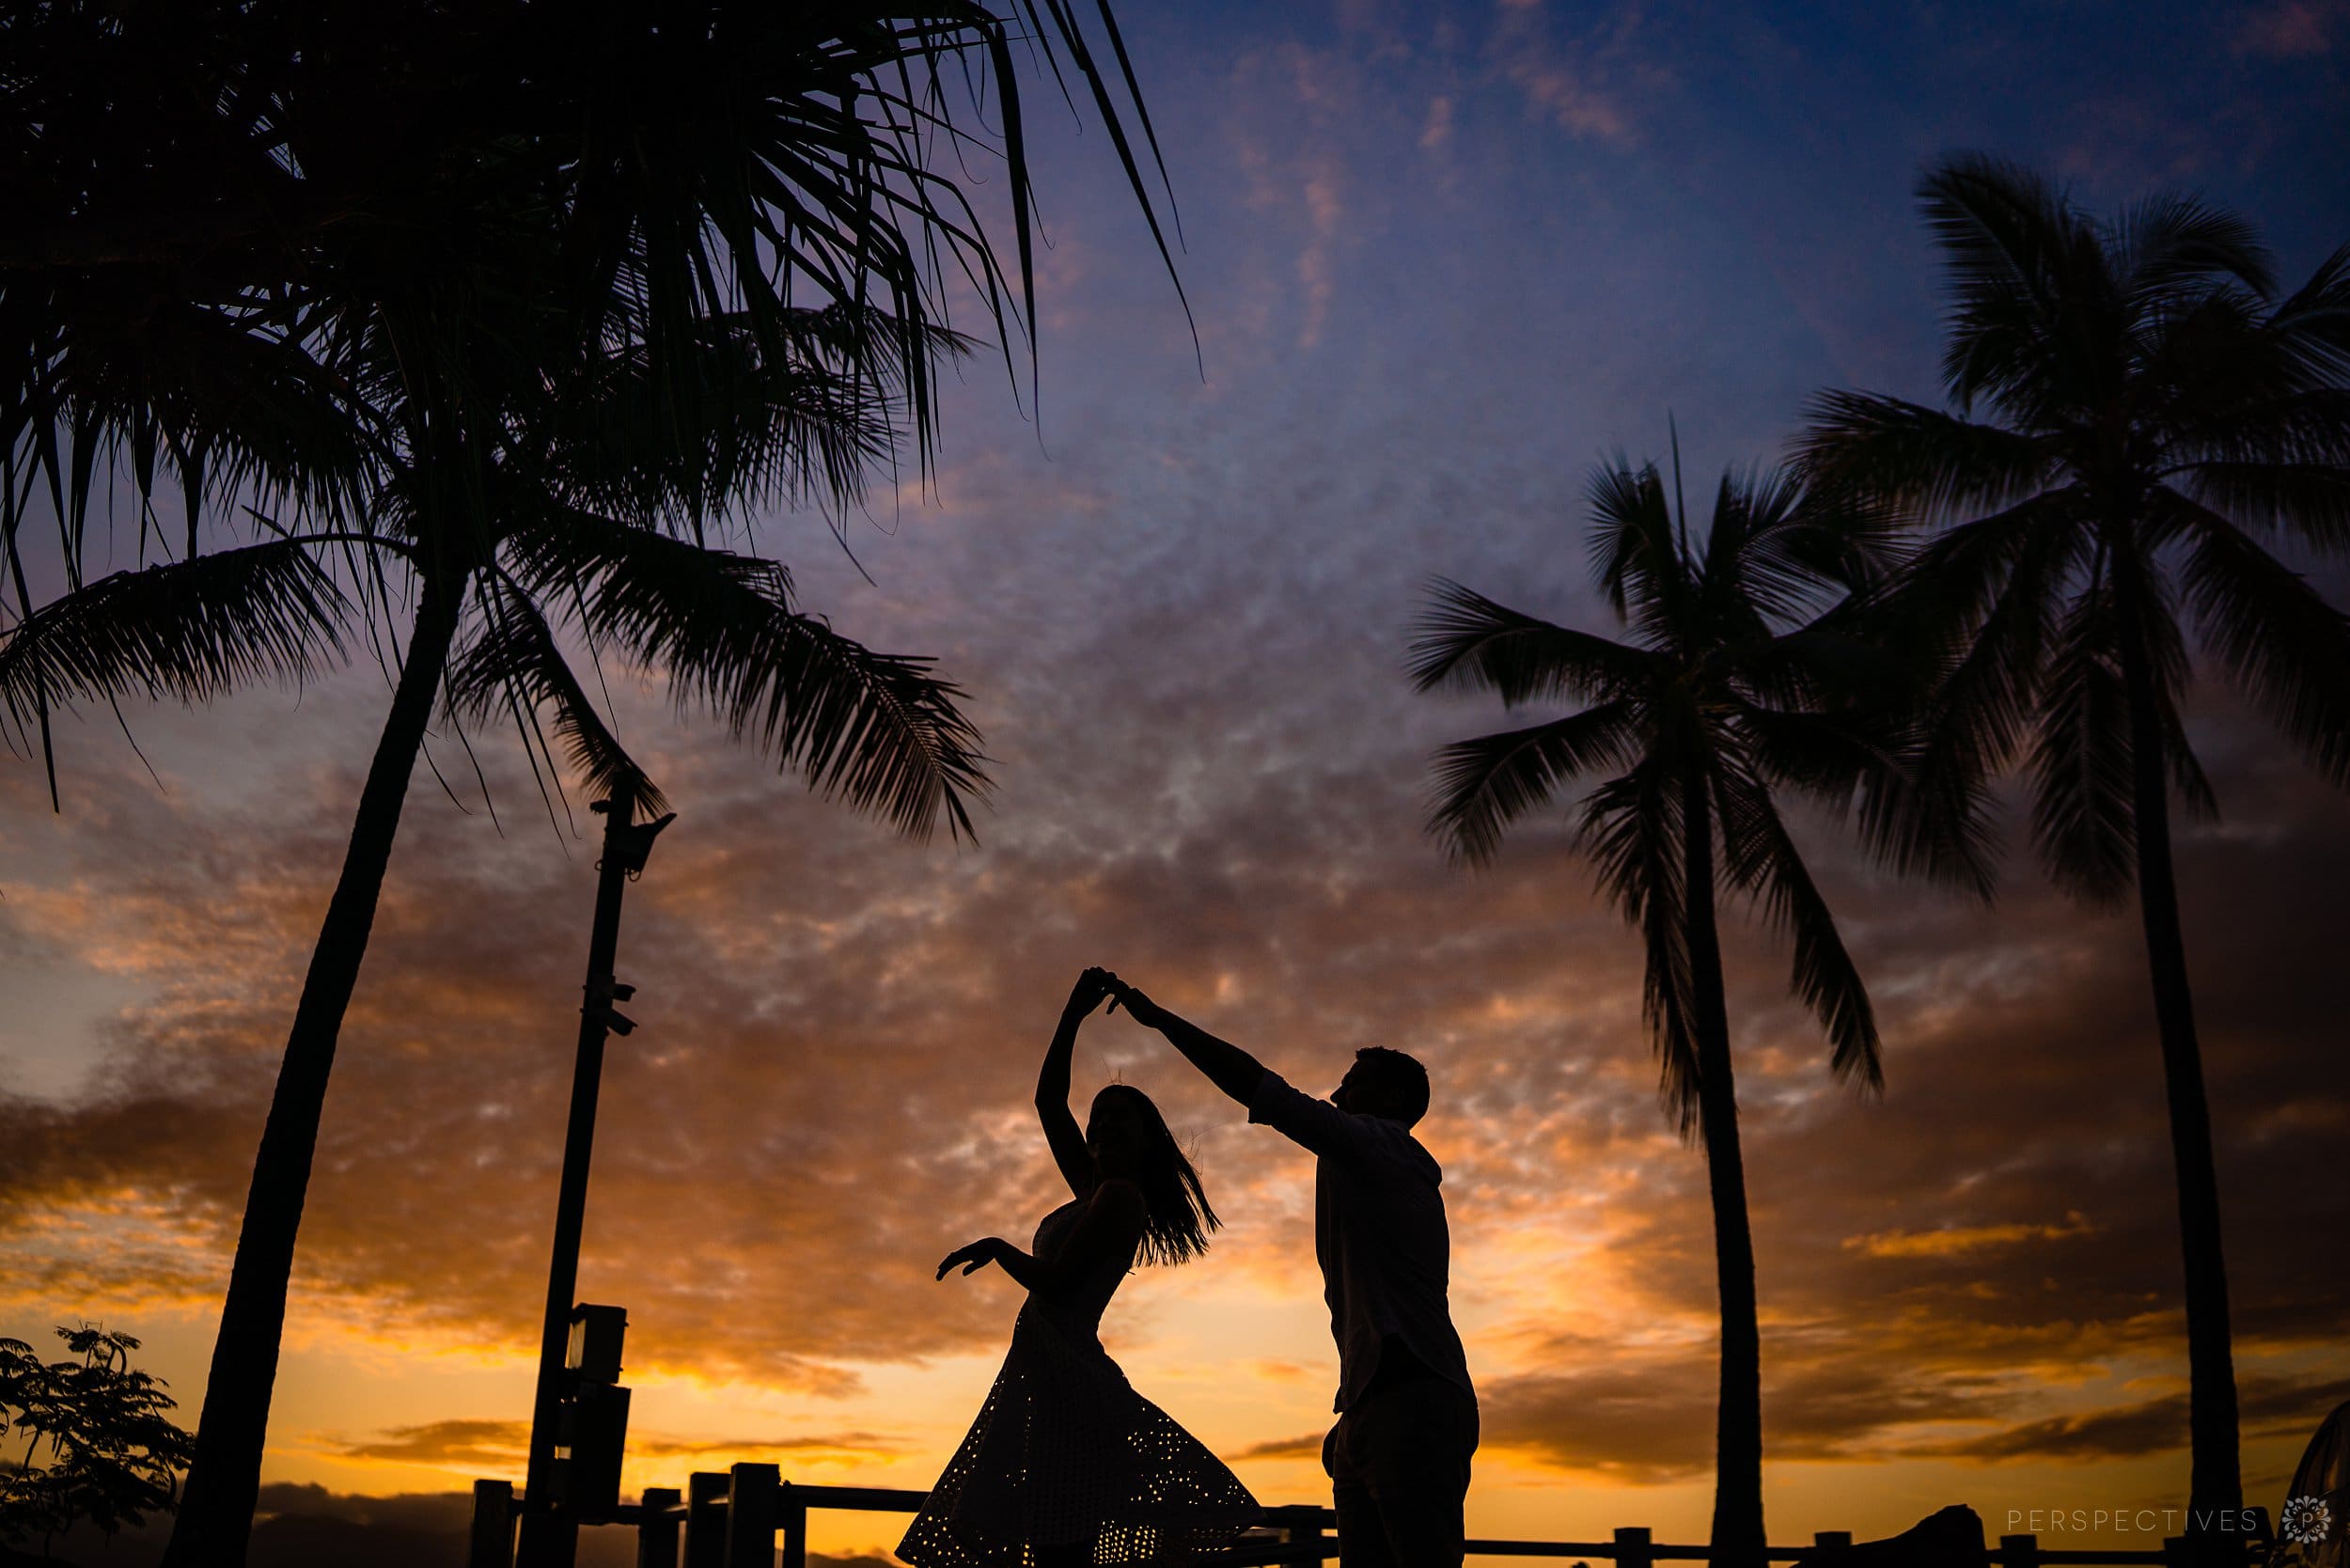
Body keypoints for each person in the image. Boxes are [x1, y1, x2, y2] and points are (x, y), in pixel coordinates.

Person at [1104, 971, 1479, 1568]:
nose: (1333, 1096)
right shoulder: (1368, 1160)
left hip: (1410, 1400)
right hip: (1375, 1403)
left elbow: (1258, 1086)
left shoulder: (1381, 1148)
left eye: (1350, 1085)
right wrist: (1356, 1417)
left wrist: (1159, 1020)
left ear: (1391, 1103)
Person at [898, 968, 1258, 1568]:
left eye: (1125, 1116)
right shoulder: (1095, 1190)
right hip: (1053, 1381)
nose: (1108, 1122)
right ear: (1089, 1137)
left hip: (1071, 1387)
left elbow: (1059, 1286)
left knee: (1060, 1549)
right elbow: (1047, 1102)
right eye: (1102, 1114)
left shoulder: (1119, 1196)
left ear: (1147, 1140)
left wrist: (998, 1247)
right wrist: (1072, 1014)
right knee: (1051, 1546)